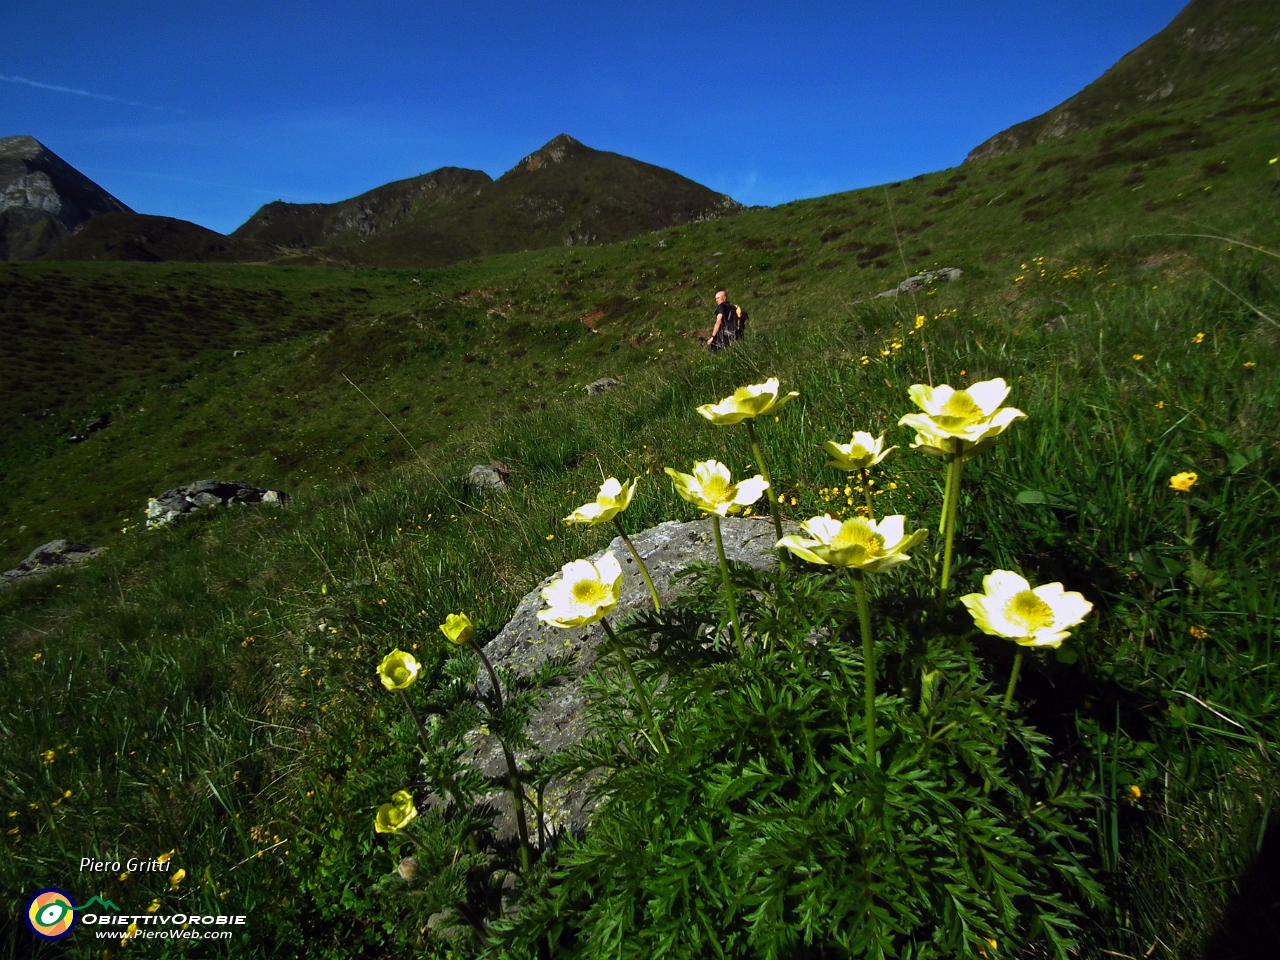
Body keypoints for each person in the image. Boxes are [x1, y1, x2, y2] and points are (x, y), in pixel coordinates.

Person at [706, 289, 738, 354]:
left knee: (712, 352)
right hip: (732, 333)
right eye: (716, 299)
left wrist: (712, 337)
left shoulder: (721, 307)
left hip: (723, 334)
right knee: (728, 352)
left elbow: (718, 322)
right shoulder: (731, 308)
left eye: (718, 298)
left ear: (724, 297)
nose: (716, 300)